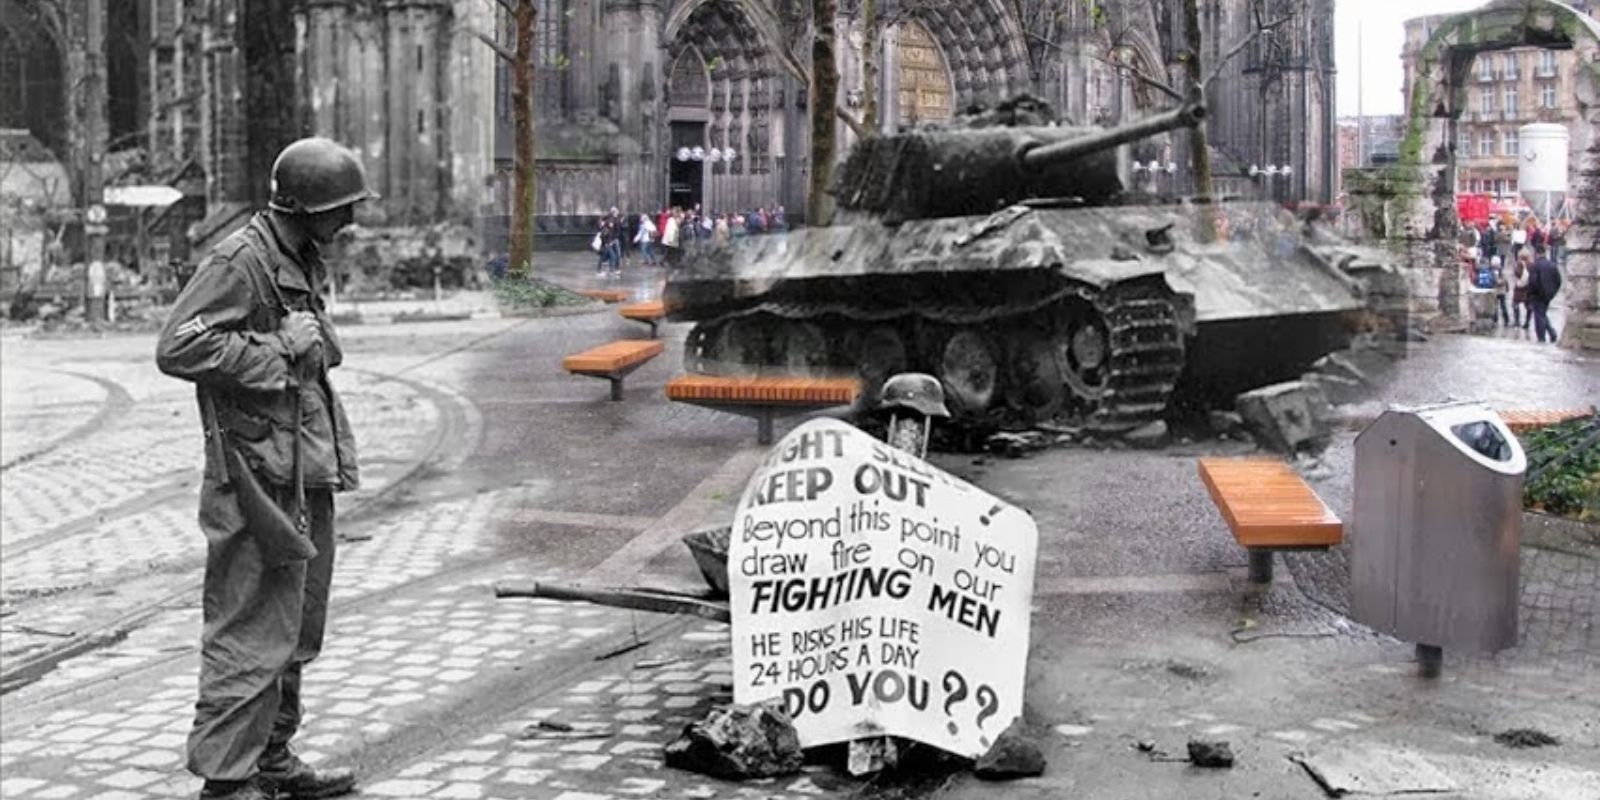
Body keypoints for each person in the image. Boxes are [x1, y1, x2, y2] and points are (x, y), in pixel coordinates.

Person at [156, 137, 371, 800]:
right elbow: (178, 346)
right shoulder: (240, 258)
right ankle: (227, 780)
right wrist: (278, 346)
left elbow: (310, 353)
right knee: (249, 628)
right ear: (302, 207)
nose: (350, 222)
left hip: (299, 466)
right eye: (341, 208)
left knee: (297, 626)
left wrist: (305, 344)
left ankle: (271, 757)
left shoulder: (295, 254)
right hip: (253, 478)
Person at [1527, 245, 1563, 343]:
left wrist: (1530, 295)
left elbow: (1532, 282)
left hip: (1538, 294)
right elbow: (1559, 280)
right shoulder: (1552, 265)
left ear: (1537, 253)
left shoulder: (1535, 266)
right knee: (1542, 314)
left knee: (1539, 316)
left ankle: (1541, 337)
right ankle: (1552, 333)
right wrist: (1553, 292)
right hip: (1549, 294)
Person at [1512, 250, 1532, 330]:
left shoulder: (1520, 264)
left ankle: (1517, 321)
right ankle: (1527, 322)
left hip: (1520, 287)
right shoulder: (1531, 264)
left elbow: (1518, 274)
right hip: (1528, 287)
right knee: (1528, 305)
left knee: (1515, 303)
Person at [1491, 255, 1510, 327]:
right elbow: (1505, 281)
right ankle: (1496, 319)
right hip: (1498, 291)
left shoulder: (1500, 271)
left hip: (1499, 291)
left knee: (1502, 306)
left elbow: (1504, 280)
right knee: (1496, 306)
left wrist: (1498, 281)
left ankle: (1505, 320)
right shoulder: (1500, 271)